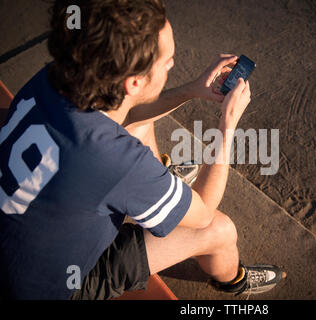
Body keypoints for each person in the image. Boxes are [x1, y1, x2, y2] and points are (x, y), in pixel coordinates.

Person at [0, 0, 284, 300]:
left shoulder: (55, 76)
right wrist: (227, 125)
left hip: (21, 241)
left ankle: (160, 189)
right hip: (53, 288)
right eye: (167, 61)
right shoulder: (116, 159)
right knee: (220, 230)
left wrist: (193, 90)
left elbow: (126, 115)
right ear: (134, 82)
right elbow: (202, 213)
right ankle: (234, 281)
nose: (172, 64)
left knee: (139, 126)